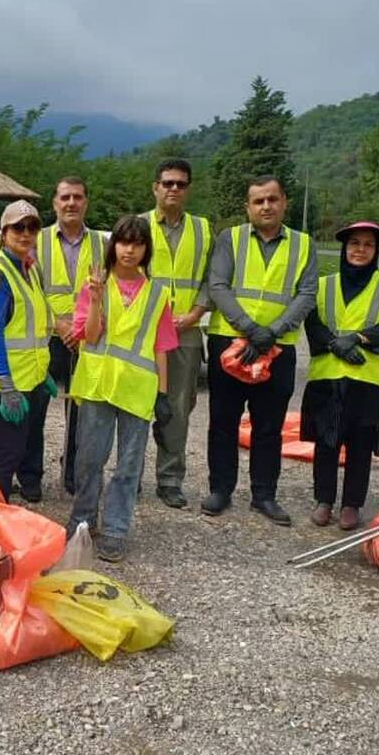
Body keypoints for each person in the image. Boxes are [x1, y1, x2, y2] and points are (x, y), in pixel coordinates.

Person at [204, 175, 317, 525]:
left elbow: (307, 293)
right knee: (223, 421)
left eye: (272, 199)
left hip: (278, 348)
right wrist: (251, 330)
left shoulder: (303, 244)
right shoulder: (230, 239)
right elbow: (218, 286)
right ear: (247, 207)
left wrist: (273, 332)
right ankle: (221, 489)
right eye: (258, 201)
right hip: (231, 343)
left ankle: (264, 495)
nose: (265, 206)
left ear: (285, 202)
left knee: (270, 426)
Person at [67, 216, 178, 562]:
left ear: (146, 250)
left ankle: (115, 529)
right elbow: (89, 335)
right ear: (113, 245)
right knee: (89, 460)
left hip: (137, 389)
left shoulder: (158, 294)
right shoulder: (94, 286)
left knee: (129, 466)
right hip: (99, 384)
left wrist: (163, 393)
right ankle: (83, 521)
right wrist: (97, 299)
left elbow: (161, 345)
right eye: (124, 242)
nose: (129, 250)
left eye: (137, 243)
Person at [301, 222, 379, 530]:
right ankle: (324, 500)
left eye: (367, 245)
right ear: (344, 248)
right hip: (327, 376)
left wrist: (358, 338)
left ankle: (352, 505)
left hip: (369, 381)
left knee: (361, 444)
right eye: (354, 243)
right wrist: (335, 344)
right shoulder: (323, 285)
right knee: (326, 441)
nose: (360, 250)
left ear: (376, 251)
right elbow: (313, 324)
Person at [0, 201, 55, 502]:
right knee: (2, 460)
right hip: (2, 389)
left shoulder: (29, 270)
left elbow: (28, 330)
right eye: (17, 227)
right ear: (3, 232)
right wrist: (7, 387)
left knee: (16, 452)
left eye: (32, 227)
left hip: (28, 383)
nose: (25, 233)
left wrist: (41, 373)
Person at [143, 159, 212, 509]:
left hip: (185, 332)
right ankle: (131, 474)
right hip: (141, 334)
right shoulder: (138, 226)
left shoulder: (202, 229)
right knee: (137, 403)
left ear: (188, 190)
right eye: (167, 183)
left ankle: (170, 480)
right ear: (155, 187)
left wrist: (198, 312)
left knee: (178, 409)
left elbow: (210, 278)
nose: (173, 189)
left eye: (180, 184)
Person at [36, 177, 105, 493]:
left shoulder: (103, 244)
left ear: (86, 202)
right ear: (54, 203)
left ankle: (74, 474)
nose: (71, 203)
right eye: (65, 197)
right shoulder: (36, 241)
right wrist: (59, 325)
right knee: (35, 405)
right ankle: (30, 474)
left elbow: (111, 291)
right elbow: (30, 290)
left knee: (81, 411)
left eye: (78, 197)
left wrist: (82, 330)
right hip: (45, 335)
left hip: (87, 338)